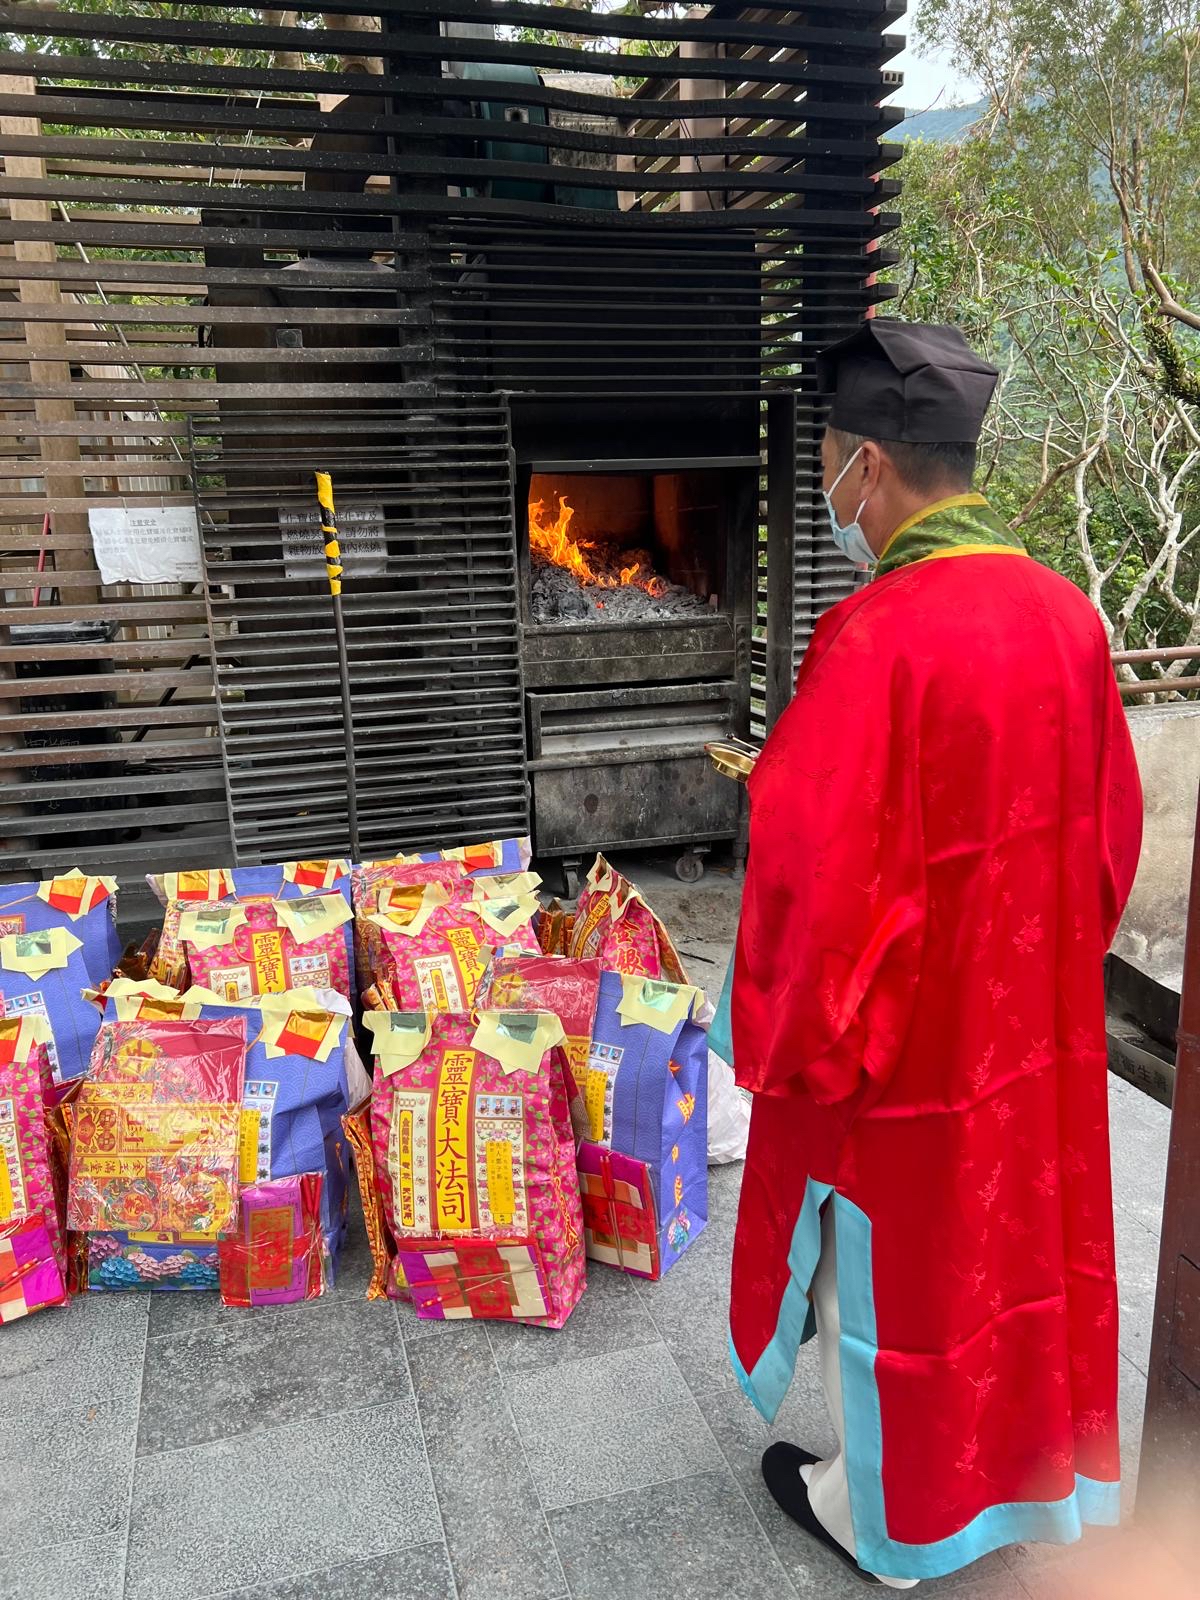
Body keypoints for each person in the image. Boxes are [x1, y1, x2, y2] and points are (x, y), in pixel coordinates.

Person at [726, 319, 1143, 1588]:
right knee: (1020, 1255)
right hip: (1031, 1027)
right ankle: (1029, 1490)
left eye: (836, 472)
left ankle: (887, 1521)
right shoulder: (1071, 619)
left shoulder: (877, 638)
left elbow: (816, 880)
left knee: (893, 1274)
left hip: (912, 1043)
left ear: (867, 467)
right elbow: (1111, 842)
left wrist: (797, 1039)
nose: (835, 499)